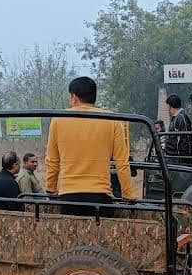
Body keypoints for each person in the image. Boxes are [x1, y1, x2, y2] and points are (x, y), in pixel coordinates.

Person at [45, 76, 133, 213]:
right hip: (101, 197)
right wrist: (128, 196)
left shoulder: (58, 119)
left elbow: (52, 161)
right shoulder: (112, 120)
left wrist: (51, 189)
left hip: (69, 196)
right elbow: (122, 163)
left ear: (74, 97)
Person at [164, 94, 192, 162]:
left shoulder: (181, 117)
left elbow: (186, 138)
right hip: (172, 156)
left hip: (178, 157)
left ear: (170, 105)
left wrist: (185, 158)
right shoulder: (174, 118)